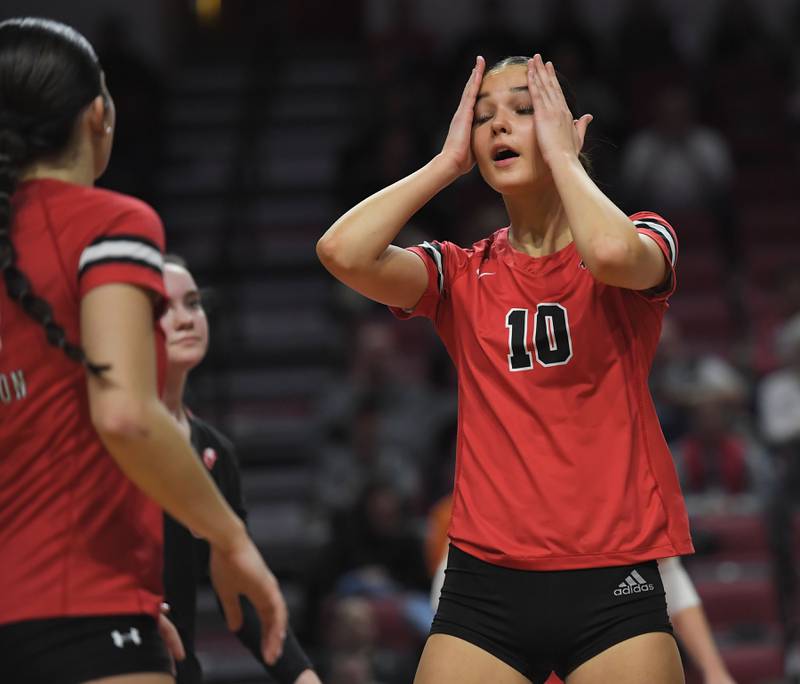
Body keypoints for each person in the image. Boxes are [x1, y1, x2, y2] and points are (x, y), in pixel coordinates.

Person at [317, 53, 693, 684]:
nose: (497, 127)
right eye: (483, 117)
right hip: (483, 587)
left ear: (571, 129)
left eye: (524, 110)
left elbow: (604, 251)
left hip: (612, 579)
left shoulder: (644, 234)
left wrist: (567, 161)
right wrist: (444, 165)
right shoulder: (460, 271)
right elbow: (341, 251)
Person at [0, 18, 286, 684]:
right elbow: (126, 413)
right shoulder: (111, 223)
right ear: (98, 113)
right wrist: (231, 539)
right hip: (82, 604)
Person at [158, 255, 320, 683]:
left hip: (178, 669)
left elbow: (239, 593)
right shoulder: (103, 434)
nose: (186, 319)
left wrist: (303, 676)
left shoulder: (215, 452)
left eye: (193, 304)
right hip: (99, 655)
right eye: (163, 309)